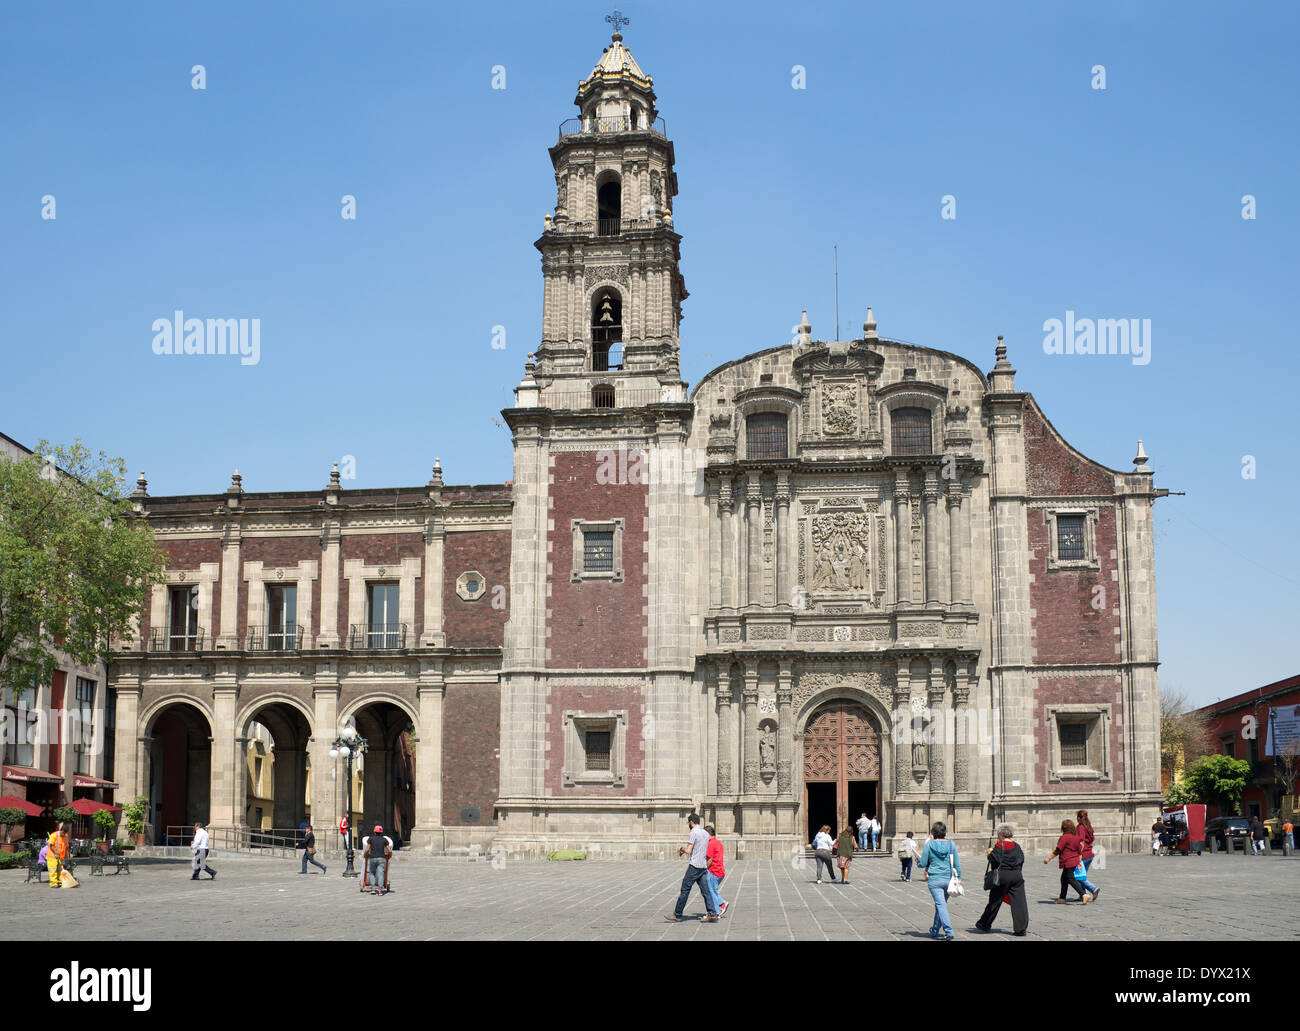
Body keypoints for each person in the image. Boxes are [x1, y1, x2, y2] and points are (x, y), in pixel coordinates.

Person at [974, 823, 1028, 936]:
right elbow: (1021, 859)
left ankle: (984, 923)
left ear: (1001, 834)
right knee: (1019, 903)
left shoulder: (999, 845)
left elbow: (994, 860)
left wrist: (989, 853)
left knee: (995, 900)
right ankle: (1020, 929)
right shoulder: (1017, 846)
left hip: (1003, 876)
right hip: (1017, 875)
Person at [665, 813, 718, 922]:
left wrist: (681, 849)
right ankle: (712, 913)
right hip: (703, 866)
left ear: (691, 822)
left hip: (694, 866)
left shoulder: (693, 832)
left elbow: (689, 850)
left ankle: (678, 914)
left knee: (685, 889)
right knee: (706, 891)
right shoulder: (705, 833)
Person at [917, 821, 961, 940]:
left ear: (932, 833)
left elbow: (923, 863)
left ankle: (949, 931)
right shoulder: (951, 845)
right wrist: (960, 878)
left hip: (935, 880)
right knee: (941, 905)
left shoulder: (929, 845)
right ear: (945, 832)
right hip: (949, 879)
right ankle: (935, 930)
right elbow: (957, 864)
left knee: (940, 905)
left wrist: (918, 862)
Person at [1044, 819, 1090, 903]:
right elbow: (1079, 850)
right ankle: (1062, 898)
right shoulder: (1076, 837)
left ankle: (1083, 894)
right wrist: (1079, 862)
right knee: (1063, 879)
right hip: (1074, 861)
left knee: (1070, 878)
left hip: (1067, 861)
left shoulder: (1064, 837)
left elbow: (1058, 850)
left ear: (1063, 828)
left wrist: (1049, 858)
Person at [1074, 810, 1101, 901]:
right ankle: (1083, 895)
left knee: (1077, 876)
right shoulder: (1088, 826)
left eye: (1077, 817)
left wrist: (1079, 855)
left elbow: (1081, 841)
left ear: (1079, 818)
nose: (1076, 819)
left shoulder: (1081, 827)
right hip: (1090, 853)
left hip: (1084, 854)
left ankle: (1093, 889)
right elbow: (1092, 839)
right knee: (1082, 875)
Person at [362, 824, 393, 894]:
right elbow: (389, 850)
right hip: (382, 858)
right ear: (381, 832)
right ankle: (380, 889)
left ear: (374, 832)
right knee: (381, 874)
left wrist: (365, 855)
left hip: (373, 858)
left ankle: (373, 888)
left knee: (372, 873)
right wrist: (389, 856)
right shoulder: (384, 840)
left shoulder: (371, 839)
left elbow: (367, 849)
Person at [704, 824, 727, 916]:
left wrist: (703, 869)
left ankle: (716, 911)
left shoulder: (710, 844)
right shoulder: (718, 843)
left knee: (710, 891)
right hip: (720, 871)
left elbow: (709, 860)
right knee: (712, 890)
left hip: (713, 870)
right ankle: (722, 903)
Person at [46, 822, 70, 889]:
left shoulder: (66, 836)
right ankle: (53, 883)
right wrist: (56, 852)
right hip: (52, 856)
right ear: (60, 830)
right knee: (53, 870)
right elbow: (51, 845)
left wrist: (68, 855)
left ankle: (60, 882)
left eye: (65, 833)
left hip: (60, 857)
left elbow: (66, 846)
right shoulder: (54, 835)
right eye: (63, 832)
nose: (64, 834)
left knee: (60, 870)